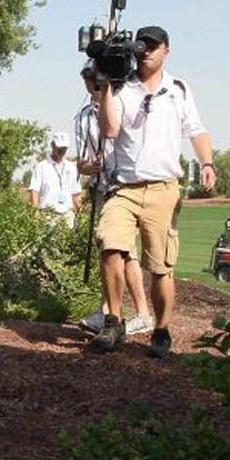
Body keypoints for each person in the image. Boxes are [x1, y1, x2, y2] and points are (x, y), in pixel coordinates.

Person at [91, 25, 216, 357]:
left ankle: (161, 331)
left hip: (163, 189)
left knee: (160, 267)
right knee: (109, 246)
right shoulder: (121, 88)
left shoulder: (179, 89)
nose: (146, 50)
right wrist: (104, 88)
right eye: (141, 45)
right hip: (125, 188)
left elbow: (197, 130)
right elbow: (109, 129)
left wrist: (207, 162)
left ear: (166, 51)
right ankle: (113, 321)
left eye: (153, 46)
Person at [75, 62, 154, 336]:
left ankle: (128, 312)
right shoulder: (83, 116)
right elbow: (81, 162)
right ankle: (113, 311)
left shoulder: (124, 103)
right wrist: (87, 168)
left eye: (96, 81)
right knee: (112, 251)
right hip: (101, 188)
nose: (93, 87)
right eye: (89, 82)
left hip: (123, 186)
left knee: (122, 250)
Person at [28, 132, 83, 227]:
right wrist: (35, 214)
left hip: (67, 215)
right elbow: (34, 192)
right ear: (52, 145)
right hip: (47, 214)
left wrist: (80, 216)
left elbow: (76, 194)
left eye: (64, 148)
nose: (62, 151)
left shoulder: (72, 168)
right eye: (59, 148)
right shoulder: (41, 167)